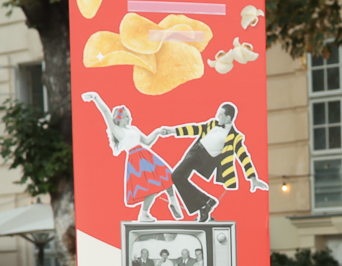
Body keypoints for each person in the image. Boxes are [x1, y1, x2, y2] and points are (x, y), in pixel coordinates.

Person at [152, 102, 266, 222]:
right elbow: (195, 129)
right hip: (194, 152)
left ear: (228, 118)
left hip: (204, 159)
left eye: (220, 115)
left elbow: (243, 156)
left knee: (176, 176)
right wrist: (172, 131)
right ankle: (204, 205)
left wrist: (253, 178)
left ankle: (205, 202)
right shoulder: (212, 124)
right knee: (177, 177)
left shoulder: (234, 137)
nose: (217, 117)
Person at [82, 90, 180, 218]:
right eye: (127, 116)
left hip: (146, 155)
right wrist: (95, 97)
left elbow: (147, 142)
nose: (130, 118)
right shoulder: (117, 130)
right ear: (120, 118)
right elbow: (106, 112)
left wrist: (157, 132)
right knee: (152, 186)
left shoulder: (133, 128)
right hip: (136, 159)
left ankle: (173, 201)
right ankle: (143, 214)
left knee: (167, 176)